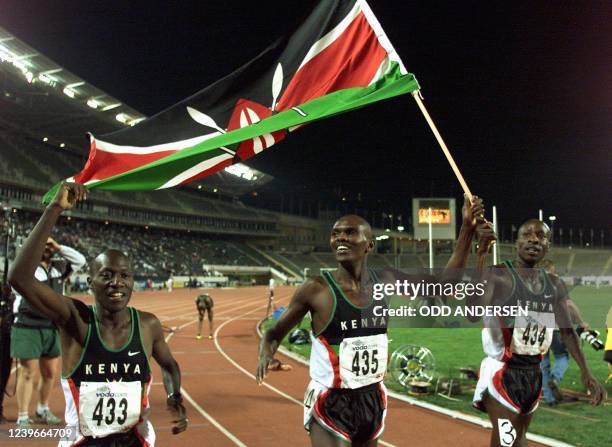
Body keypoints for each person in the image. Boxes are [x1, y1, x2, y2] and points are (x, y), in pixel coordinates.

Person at [257, 195, 485, 446]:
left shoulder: (385, 281)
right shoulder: (316, 289)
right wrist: (266, 352)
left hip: (371, 398)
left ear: (370, 245)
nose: (340, 238)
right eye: (336, 234)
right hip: (330, 400)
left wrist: (466, 229)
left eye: (350, 232)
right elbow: (274, 332)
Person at [8, 182, 188, 445]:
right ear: (91, 282)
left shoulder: (148, 325)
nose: (117, 282)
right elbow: (20, 278)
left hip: (135, 441)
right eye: (107, 275)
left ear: (132, 283)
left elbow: (170, 365)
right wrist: (55, 208)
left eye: (124, 276)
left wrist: (175, 398)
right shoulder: (75, 318)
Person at [469, 219, 606, 447]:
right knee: (508, 440)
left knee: (518, 438)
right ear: (516, 243)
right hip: (502, 372)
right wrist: (482, 253)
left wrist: (586, 371)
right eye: (527, 235)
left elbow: (567, 331)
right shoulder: (499, 275)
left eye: (541, 236)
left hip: (533, 373)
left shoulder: (553, 284)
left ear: (548, 246)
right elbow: (473, 312)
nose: (534, 239)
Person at [11, 234, 86, 427]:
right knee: (28, 372)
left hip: (52, 326)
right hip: (28, 325)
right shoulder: (26, 269)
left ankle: (42, 409)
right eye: (43, 245)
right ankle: (22, 416)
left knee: (50, 373)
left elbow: (81, 260)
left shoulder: (59, 269)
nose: (47, 248)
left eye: (49, 246)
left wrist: (59, 246)